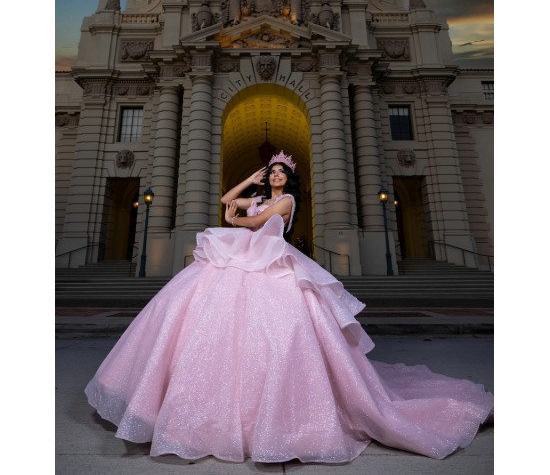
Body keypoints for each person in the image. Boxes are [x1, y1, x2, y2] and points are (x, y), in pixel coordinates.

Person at [85, 150, 493, 464]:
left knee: (281, 332)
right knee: (218, 327)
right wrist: (248, 183)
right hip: (244, 259)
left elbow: (250, 223)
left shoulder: (287, 204)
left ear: (290, 180)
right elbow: (227, 200)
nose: (276, 177)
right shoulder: (261, 194)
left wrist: (236, 217)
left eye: (281, 173)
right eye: (272, 172)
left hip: (274, 263)